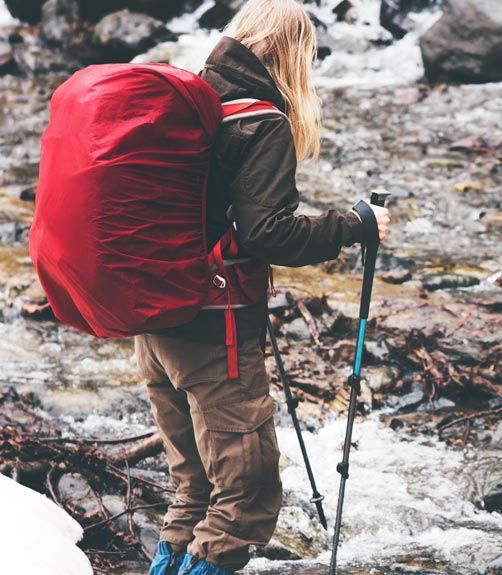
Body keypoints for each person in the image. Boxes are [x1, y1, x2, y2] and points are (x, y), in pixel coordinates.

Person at [140, 1, 390, 574]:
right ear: (291, 52)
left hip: (153, 317)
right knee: (243, 501)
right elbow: (269, 234)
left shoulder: (192, 98)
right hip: (213, 326)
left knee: (194, 489)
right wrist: (354, 225)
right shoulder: (259, 119)